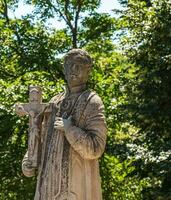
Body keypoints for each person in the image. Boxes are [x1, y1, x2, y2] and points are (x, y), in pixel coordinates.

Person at [22, 49, 107, 200]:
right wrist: (29, 159)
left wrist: (70, 130)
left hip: (75, 186)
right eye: (70, 65)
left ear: (88, 72)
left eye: (79, 66)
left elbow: (96, 149)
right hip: (47, 186)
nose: (74, 70)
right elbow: (40, 139)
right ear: (64, 68)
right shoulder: (54, 102)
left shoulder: (92, 102)